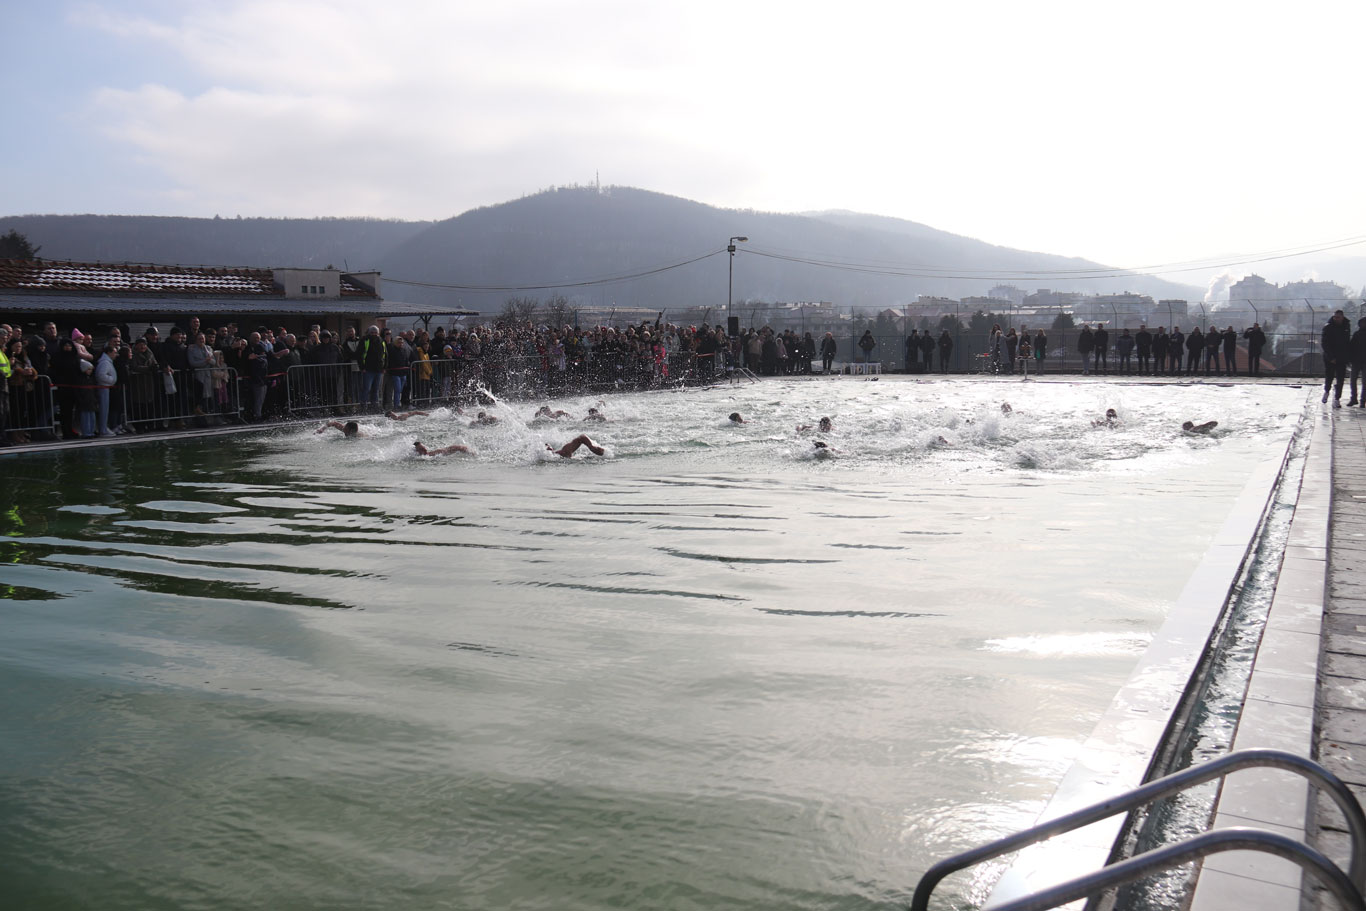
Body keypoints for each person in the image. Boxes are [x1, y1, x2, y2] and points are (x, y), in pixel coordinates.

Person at [1322, 309, 1352, 406]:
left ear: (1342, 317)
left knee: (1340, 379)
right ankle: (1327, 391)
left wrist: (1347, 357)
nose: (1336, 319)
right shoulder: (1328, 327)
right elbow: (1325, 343)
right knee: (1329, 376)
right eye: (1335, 317)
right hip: (1330, 357)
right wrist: (1331, 357)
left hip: (1342, 357)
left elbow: (1347, 342)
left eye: (1338, 317)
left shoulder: (1346, 326)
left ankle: (1337, 398)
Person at [1349, 317, 1366, 408]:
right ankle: (1355, 399)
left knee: (1363, 382)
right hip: (1356, 361)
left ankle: (1361, 400)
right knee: (1353, 381)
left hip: (1359, 361)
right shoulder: (1357, 334)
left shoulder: (1357, 334)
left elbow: (1351, 347)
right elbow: (1351, 347)